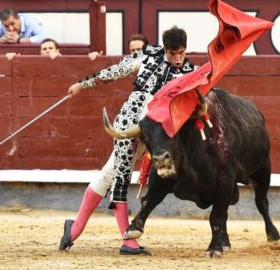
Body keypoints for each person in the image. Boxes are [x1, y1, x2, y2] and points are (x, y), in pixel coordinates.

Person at [59, 26, 197, 255]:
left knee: (108, 174)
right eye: (173, 53)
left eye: (181, 53)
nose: (177, 58)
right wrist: (82, 84)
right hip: (128, 126)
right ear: (165, 49)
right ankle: (127, 240)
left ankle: (73, 229)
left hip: (155, 134)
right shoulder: (148, 54)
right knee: (120, 177)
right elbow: (114, 71)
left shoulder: (190, 71)